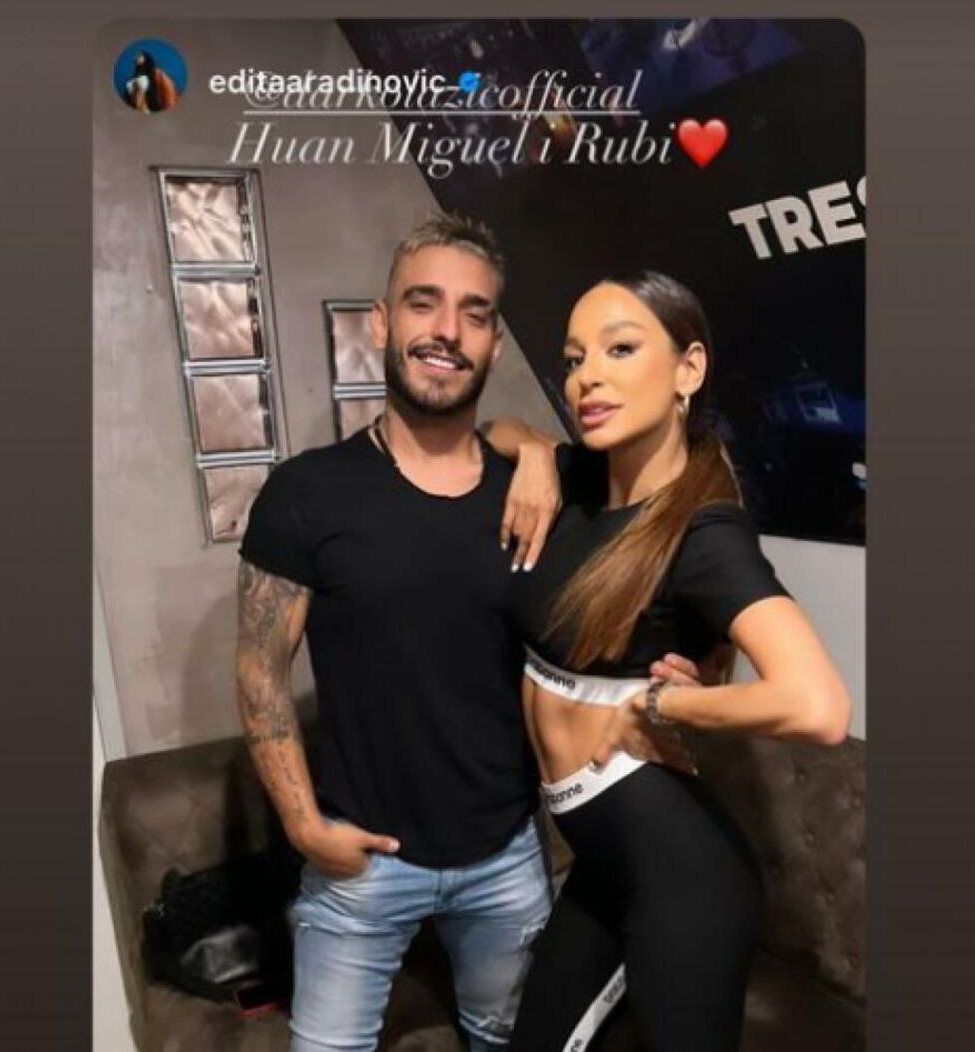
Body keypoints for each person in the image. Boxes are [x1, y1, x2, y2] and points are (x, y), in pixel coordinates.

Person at [236, 217, 704, 1051]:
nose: (447, 330)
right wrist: (304, 825)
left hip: (506, 861)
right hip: (359, 867)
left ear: (493, 343)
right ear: (383, 324)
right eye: (424, 304)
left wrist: (689, 682)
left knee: (507, 1040)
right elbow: (260, 668)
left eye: (475, 313)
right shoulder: (305, 494)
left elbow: (653, 569)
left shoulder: (542, 493)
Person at [486, 272, 852, 1052]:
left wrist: (664, 706)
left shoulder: (703, 530)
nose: (587, 377)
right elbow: (498, 430)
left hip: (685, 878)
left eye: (620, 349)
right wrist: (537, 454)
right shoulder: (581, 483)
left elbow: (818, 705)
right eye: (575, 358)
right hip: (603, 863)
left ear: (688, 369)